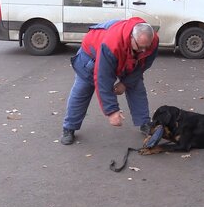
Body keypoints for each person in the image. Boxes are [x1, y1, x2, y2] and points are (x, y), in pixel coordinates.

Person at [60, 17, 159, 145]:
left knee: (136, 86)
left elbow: (142, 66)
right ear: (131, 38)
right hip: (92, 56)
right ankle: (69, 128)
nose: (144, 51)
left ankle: (144, 123)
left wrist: (125, 83)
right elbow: (102, 79)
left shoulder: (152, 41)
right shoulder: (111, 44)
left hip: (127, 58)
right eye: (140, 47)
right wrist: (112, 111)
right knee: (82, 89)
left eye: (147, 47)